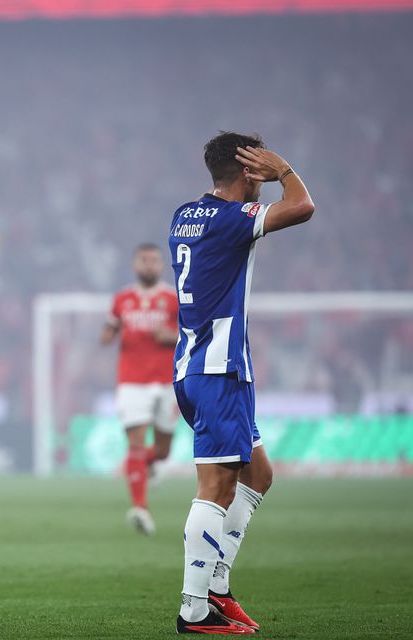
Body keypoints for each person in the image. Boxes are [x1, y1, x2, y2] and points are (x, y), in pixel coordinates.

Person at [169, 132, 314, 634]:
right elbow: (302, 207)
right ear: (249, 170)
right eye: (257, 165)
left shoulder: (184, 215)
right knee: (215, 487)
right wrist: (285, 169)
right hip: (217, 369)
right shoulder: (232, 221)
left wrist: (257, 177)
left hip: (200, 365)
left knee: (258, 475)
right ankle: (194, 609)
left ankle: (216, 584)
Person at [100, 243, 179, 535]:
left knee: (162, 451)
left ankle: (147, 466)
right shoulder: (122, 299)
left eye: (154, 261)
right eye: (144, 260)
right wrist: (107, 335)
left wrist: (170, 336)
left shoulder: (173, 298)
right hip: (132, 382)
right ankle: (140, 509)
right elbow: (109, 328)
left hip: (167, 382)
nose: (149, 265)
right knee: (135, 442)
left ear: (161, 266)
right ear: (135, 265)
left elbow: (193, 334)